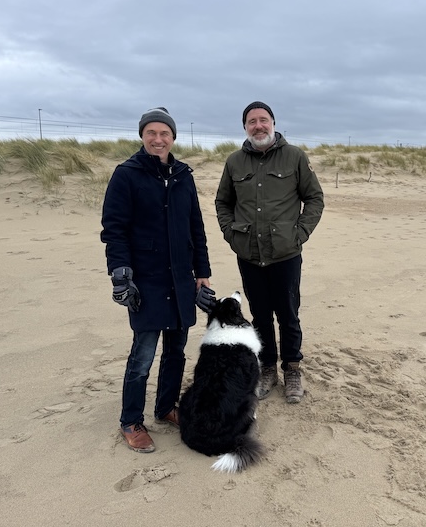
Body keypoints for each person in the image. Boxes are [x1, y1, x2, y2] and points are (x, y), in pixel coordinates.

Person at [101, 106, 214, 453]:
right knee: (143, 356)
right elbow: (114, 230)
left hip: (180, 279)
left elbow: (196, 227)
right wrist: (120, 275)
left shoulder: (184, 175)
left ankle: (165, 408)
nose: (158, 138)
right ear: (142, 136)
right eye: (151, 132)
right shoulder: (127, 174)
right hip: (146, 281)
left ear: (173, 138)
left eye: (164, 133)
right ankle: (131, 421)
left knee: (176, 352)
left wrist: (202, 274)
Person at [215, 101, 324, 404]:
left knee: (288, 316)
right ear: (245, 128)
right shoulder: (234, 162)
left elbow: (314, 198)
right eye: (252, 121)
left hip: (285, 254)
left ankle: (292, 369)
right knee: (260, 316)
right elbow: (223, 202)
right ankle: (267, 369)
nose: (258, 126)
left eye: (264, 120)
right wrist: (231, 234)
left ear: (273, 123)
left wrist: (299, 234)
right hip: (249, 255)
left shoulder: (294, 157)